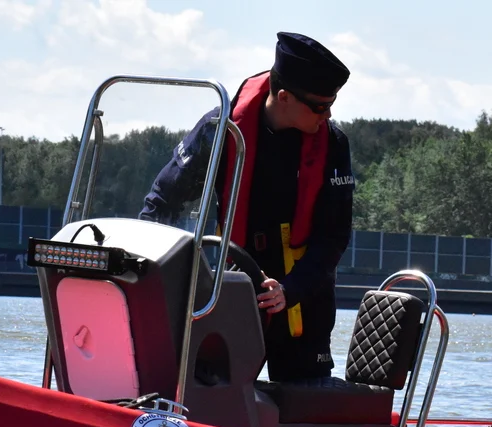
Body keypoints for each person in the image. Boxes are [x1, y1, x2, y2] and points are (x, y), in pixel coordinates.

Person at [140, 31, 353, 384]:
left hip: (301, 300)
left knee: (302, 399)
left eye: (332, 103)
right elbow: (162, 200)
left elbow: (334, 238)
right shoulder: (219, 129)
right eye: (319, 105)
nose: (328, 114)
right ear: (284, 97)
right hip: (233, 290)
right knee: (211, 388)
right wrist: (148, 271)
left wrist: (289, 290)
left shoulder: (333, 144)